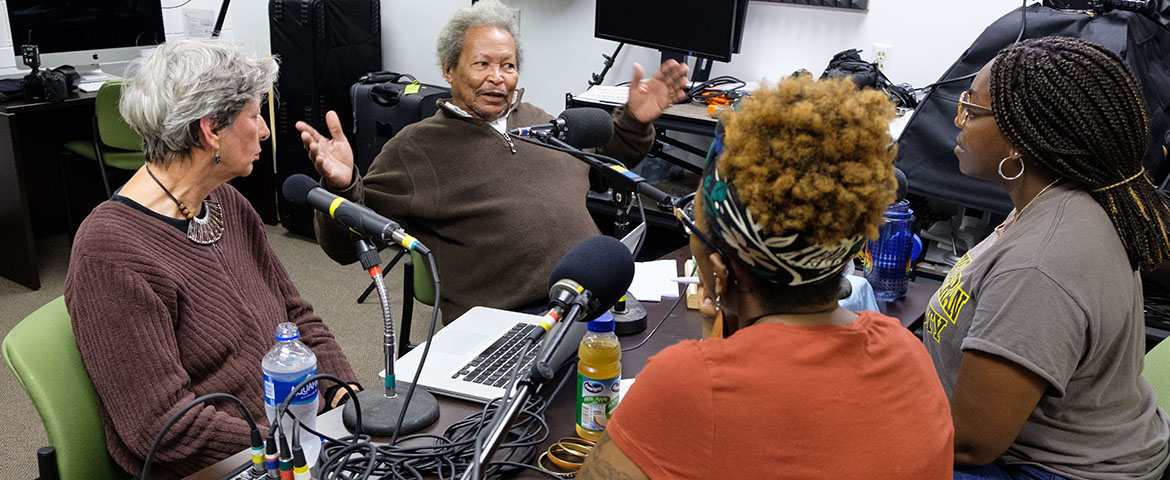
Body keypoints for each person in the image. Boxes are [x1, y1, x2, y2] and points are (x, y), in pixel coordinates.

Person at [578, 75, 954, 479]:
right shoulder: (906, 353)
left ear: (720, 270)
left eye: (693, 222)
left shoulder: (689, 383)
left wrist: (708, 357)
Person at [64, 38, 360, 479]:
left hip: (295, 438)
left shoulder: (225, 202)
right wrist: (288, 444)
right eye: (255, 115)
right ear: (210, 130)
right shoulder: (111, 254)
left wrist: (346, 397)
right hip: (228, 463)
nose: (264, 131)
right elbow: (162, 428)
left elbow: (295, 317)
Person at [296, 0, 689, 323]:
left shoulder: (540, 121)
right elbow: (348, 246)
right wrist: (341, 185)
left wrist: (635, 120)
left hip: (591, 294)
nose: (497, 78)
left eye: (508, 65)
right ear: (449, 70)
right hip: (512, 319)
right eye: (482, 64)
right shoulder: (416, 148)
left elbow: (605, 165)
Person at [926, 36, 1170, 479]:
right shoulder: (1065, 200)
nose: (958, 120)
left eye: (973, 110)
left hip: (1046, 469)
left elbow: (968, 443)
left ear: (1019, 140)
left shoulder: (1039, 265)